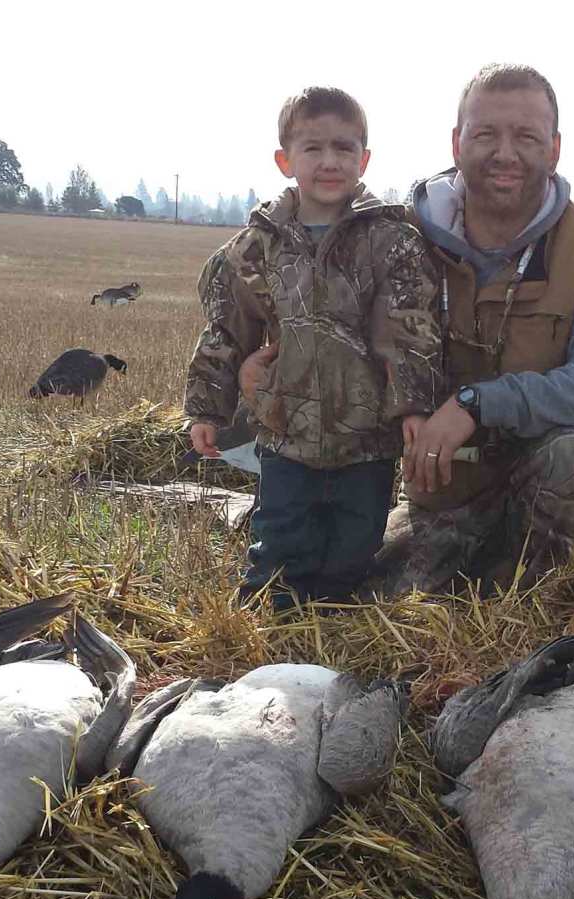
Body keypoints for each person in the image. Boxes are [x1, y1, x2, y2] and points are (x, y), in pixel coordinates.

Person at [240, 63, 574, 593]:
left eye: (526, 136)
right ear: (457, 143)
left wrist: (476, 403)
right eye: (486, 134)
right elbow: (307, 311)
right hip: (441, 497)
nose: (505, 153)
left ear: (554, 149)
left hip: (550, 484)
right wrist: (263, 373)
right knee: (363, 609)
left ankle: (554, 599)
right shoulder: (396, 240)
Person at [186, 86, 443, 612]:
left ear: (364, 159)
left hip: (368, 439)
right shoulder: (256, 247)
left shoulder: (392, 240)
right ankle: (272, 624)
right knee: (280, 545)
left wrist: (415, 407)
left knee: (355, 549)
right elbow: (226, 332)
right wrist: (206, 408)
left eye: (344, 148)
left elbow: (411, 331)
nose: (330, 162)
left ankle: (338, 624)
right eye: (314, 148)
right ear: (285, 160)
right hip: (285, 433)